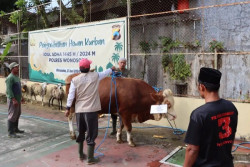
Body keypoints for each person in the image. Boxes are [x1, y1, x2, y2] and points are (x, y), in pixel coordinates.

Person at [184, 67, 238, 167]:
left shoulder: (199, 114)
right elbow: (231, 137)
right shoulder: (231, 107)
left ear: (202, 87)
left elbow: (192, 149)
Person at [65, 58, 115, 165]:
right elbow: (105, 73)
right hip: (91, 111)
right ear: (88, 68)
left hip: (79, 111)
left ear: (80, 68)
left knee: (81, 131)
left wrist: (68, 108)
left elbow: (71, 95)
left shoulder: (75, 80)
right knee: (91, 133)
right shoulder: (95, 76)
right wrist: (112, 69)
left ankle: (80, 154)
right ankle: (90, 158)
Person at [110, 57, 130, 136]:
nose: (123, 64)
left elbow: (130, 80)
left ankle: (121, 129)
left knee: (122, 112)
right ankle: (114, 129)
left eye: (124, 63)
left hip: (124, 94)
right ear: (118, 63)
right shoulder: (115, 70)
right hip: (115, 93)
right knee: (113, 112)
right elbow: (111, 79)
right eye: (121, 62)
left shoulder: (127, 72)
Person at [5, 62, 24, 138]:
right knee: (12, 115)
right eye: (16, 67)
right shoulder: (10, 78)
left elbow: (19, 88)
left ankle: (16, 129)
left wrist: (21, 97)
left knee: (18, 113)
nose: (18, 68)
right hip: (13, 99)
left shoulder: (16, 77)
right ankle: (11, 132)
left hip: (18, 99)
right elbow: (9, 90)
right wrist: (13, 99)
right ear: (12, 68)